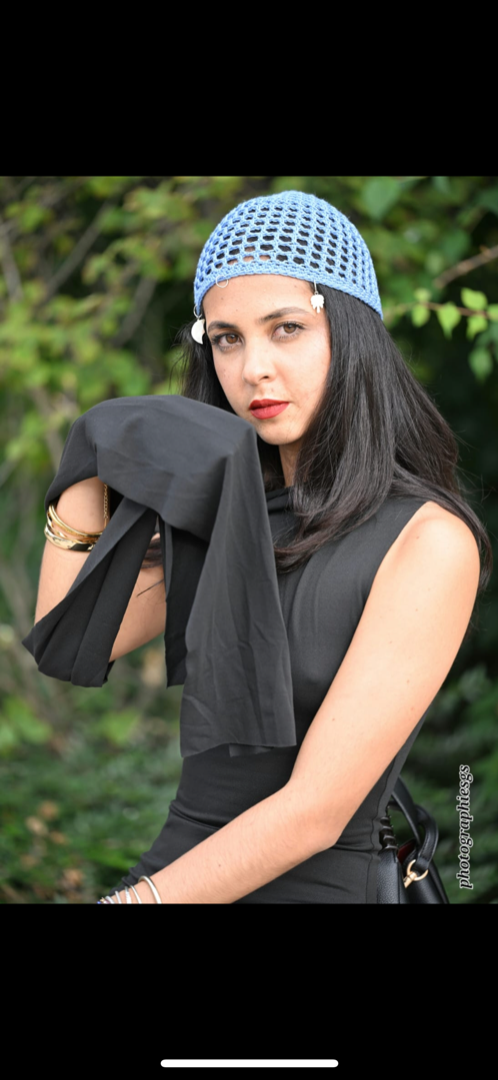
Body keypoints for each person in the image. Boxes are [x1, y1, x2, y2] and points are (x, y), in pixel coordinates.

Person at [27, 190, 492, 904]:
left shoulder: (428, 541)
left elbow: (314, 813)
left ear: (351, 332)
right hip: (173, 878)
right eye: (227, 339)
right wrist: (89, 458)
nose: (253, 369)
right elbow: (67, 644)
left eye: (287, 329)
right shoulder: (226, 515)